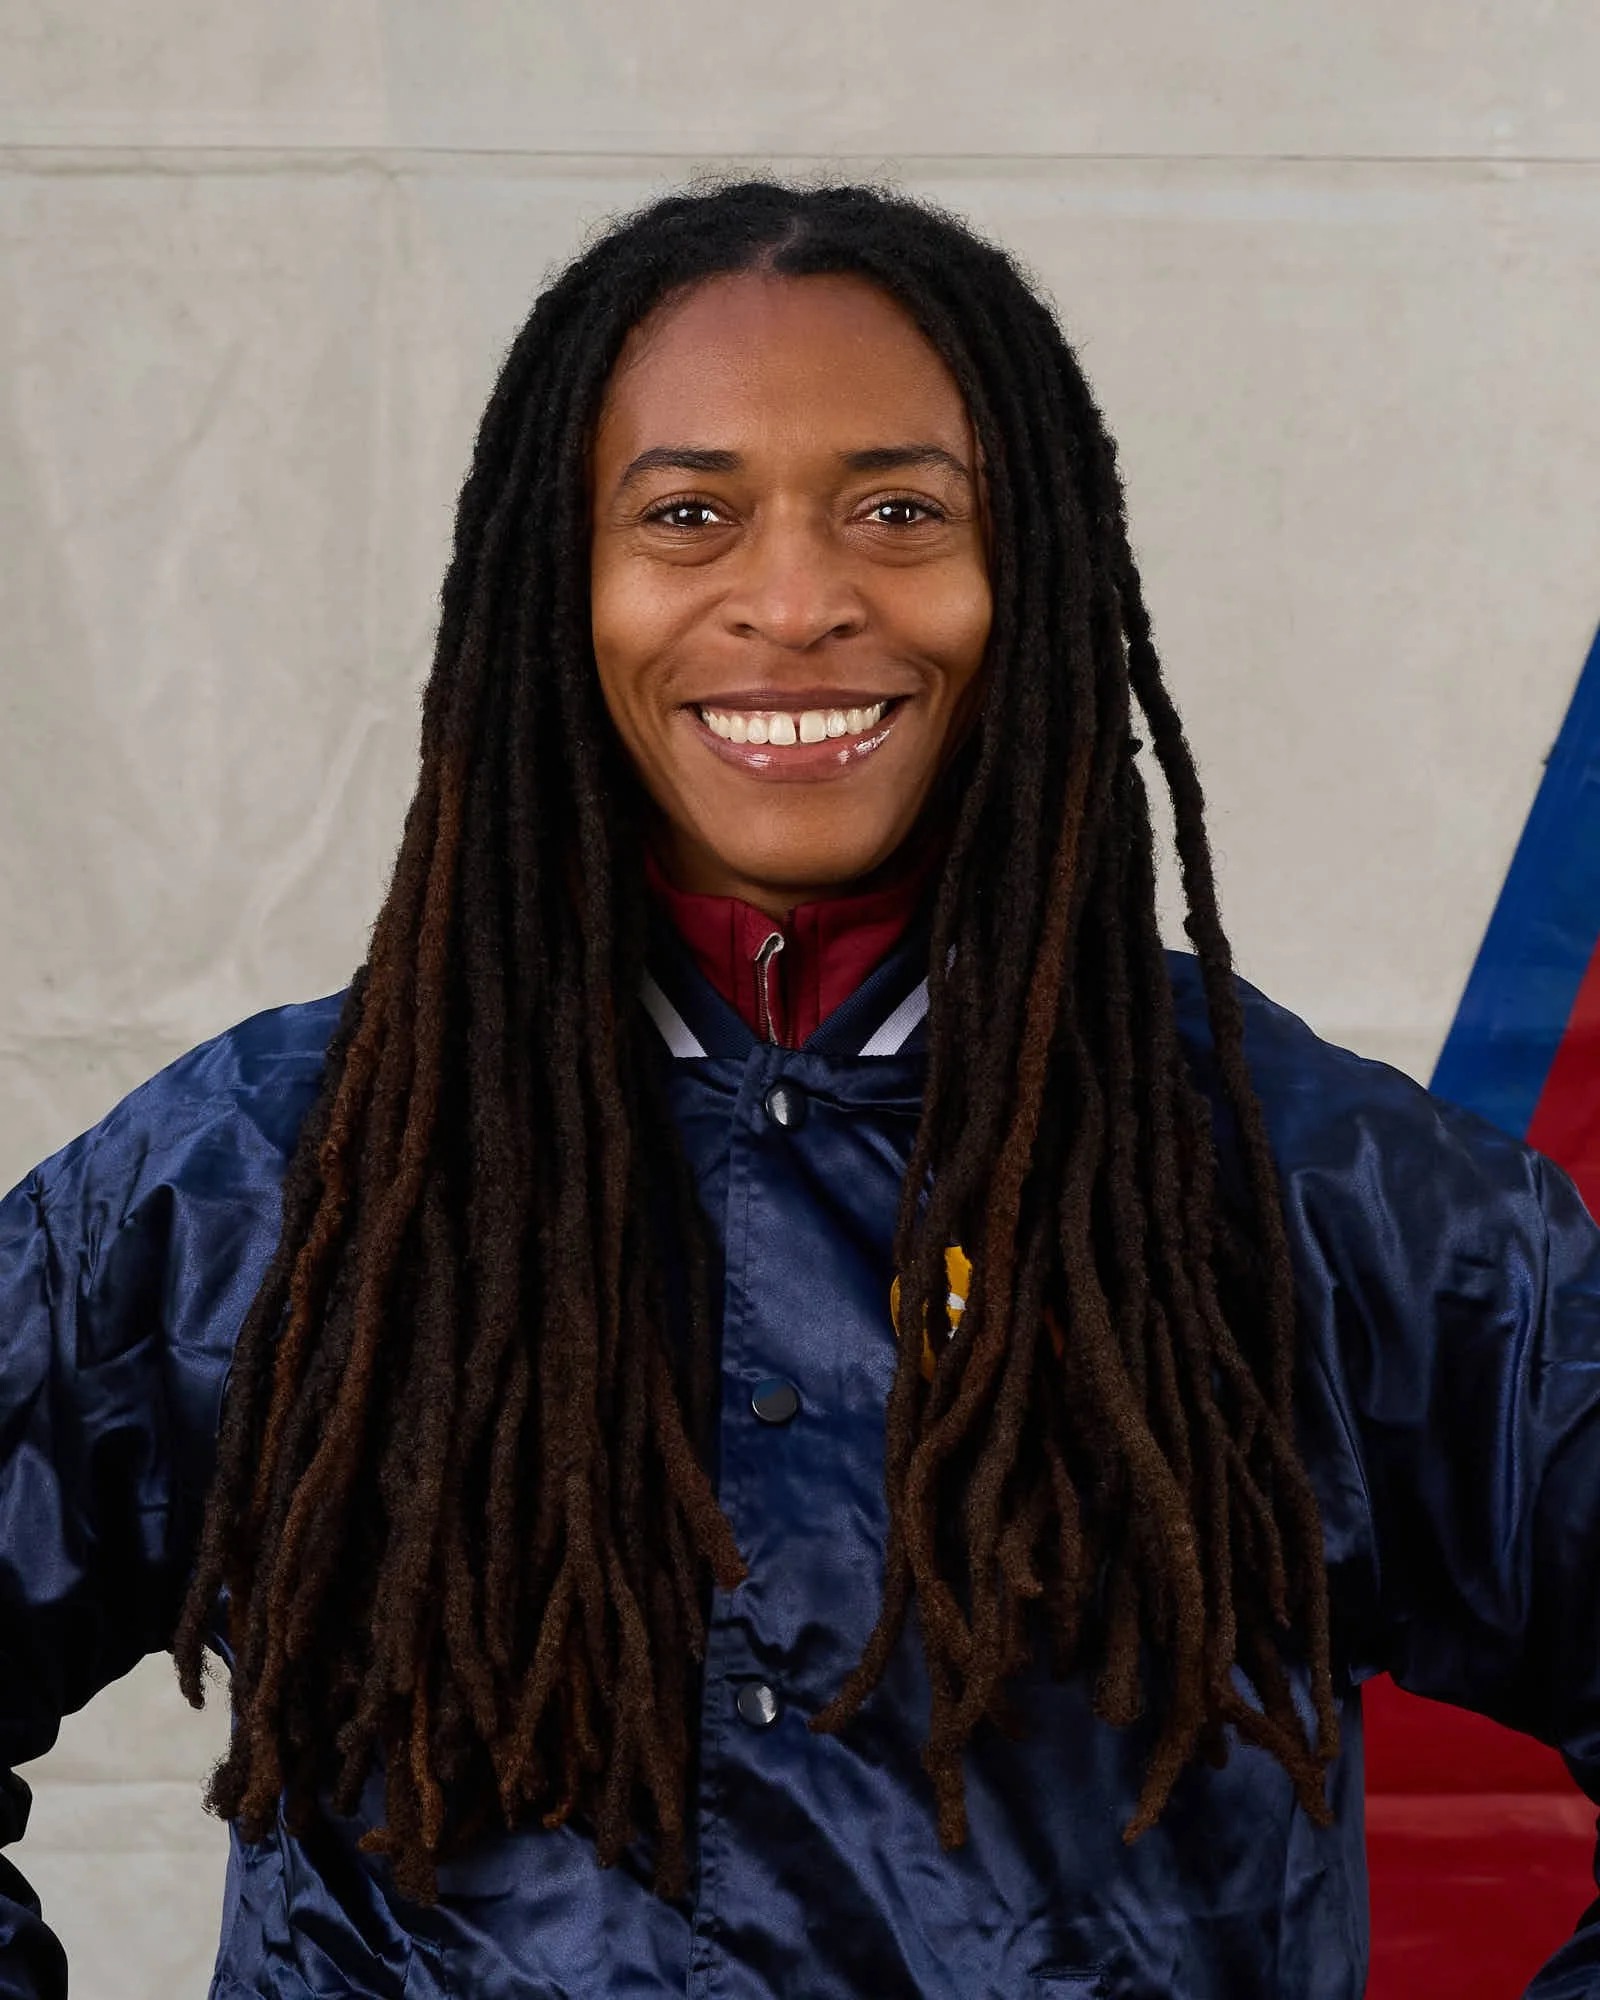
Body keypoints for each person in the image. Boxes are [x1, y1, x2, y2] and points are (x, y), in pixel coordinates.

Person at [0, 180, 1596, 2000]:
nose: (795, 599)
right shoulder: (259, 1182)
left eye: (899, 512)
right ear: (558, 588)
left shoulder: (1304, 1191)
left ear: (1037, 577)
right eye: (687, 514)